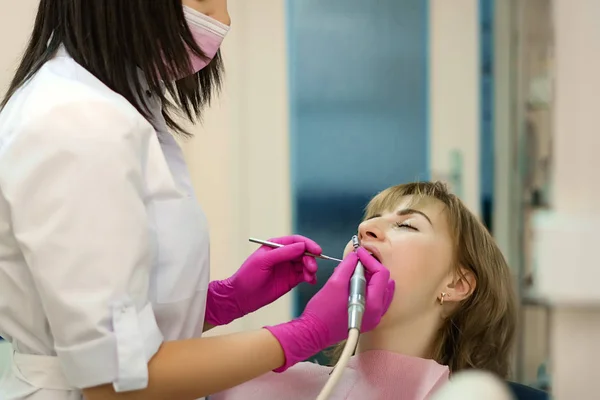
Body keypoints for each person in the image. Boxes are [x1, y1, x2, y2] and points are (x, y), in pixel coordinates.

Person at [0, 1, 395, 399]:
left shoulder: (122, 110)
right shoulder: (76, 123)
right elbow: (115, 382)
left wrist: (222, 301)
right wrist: (304, 333)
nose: (223, 19)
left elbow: (104, 319)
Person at [213, 181, 518, 400]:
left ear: (456, 284)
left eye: (407, 226)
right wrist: (218, 303)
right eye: (369, 220)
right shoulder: (249, 384)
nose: (364, 230)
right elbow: (164, 371)